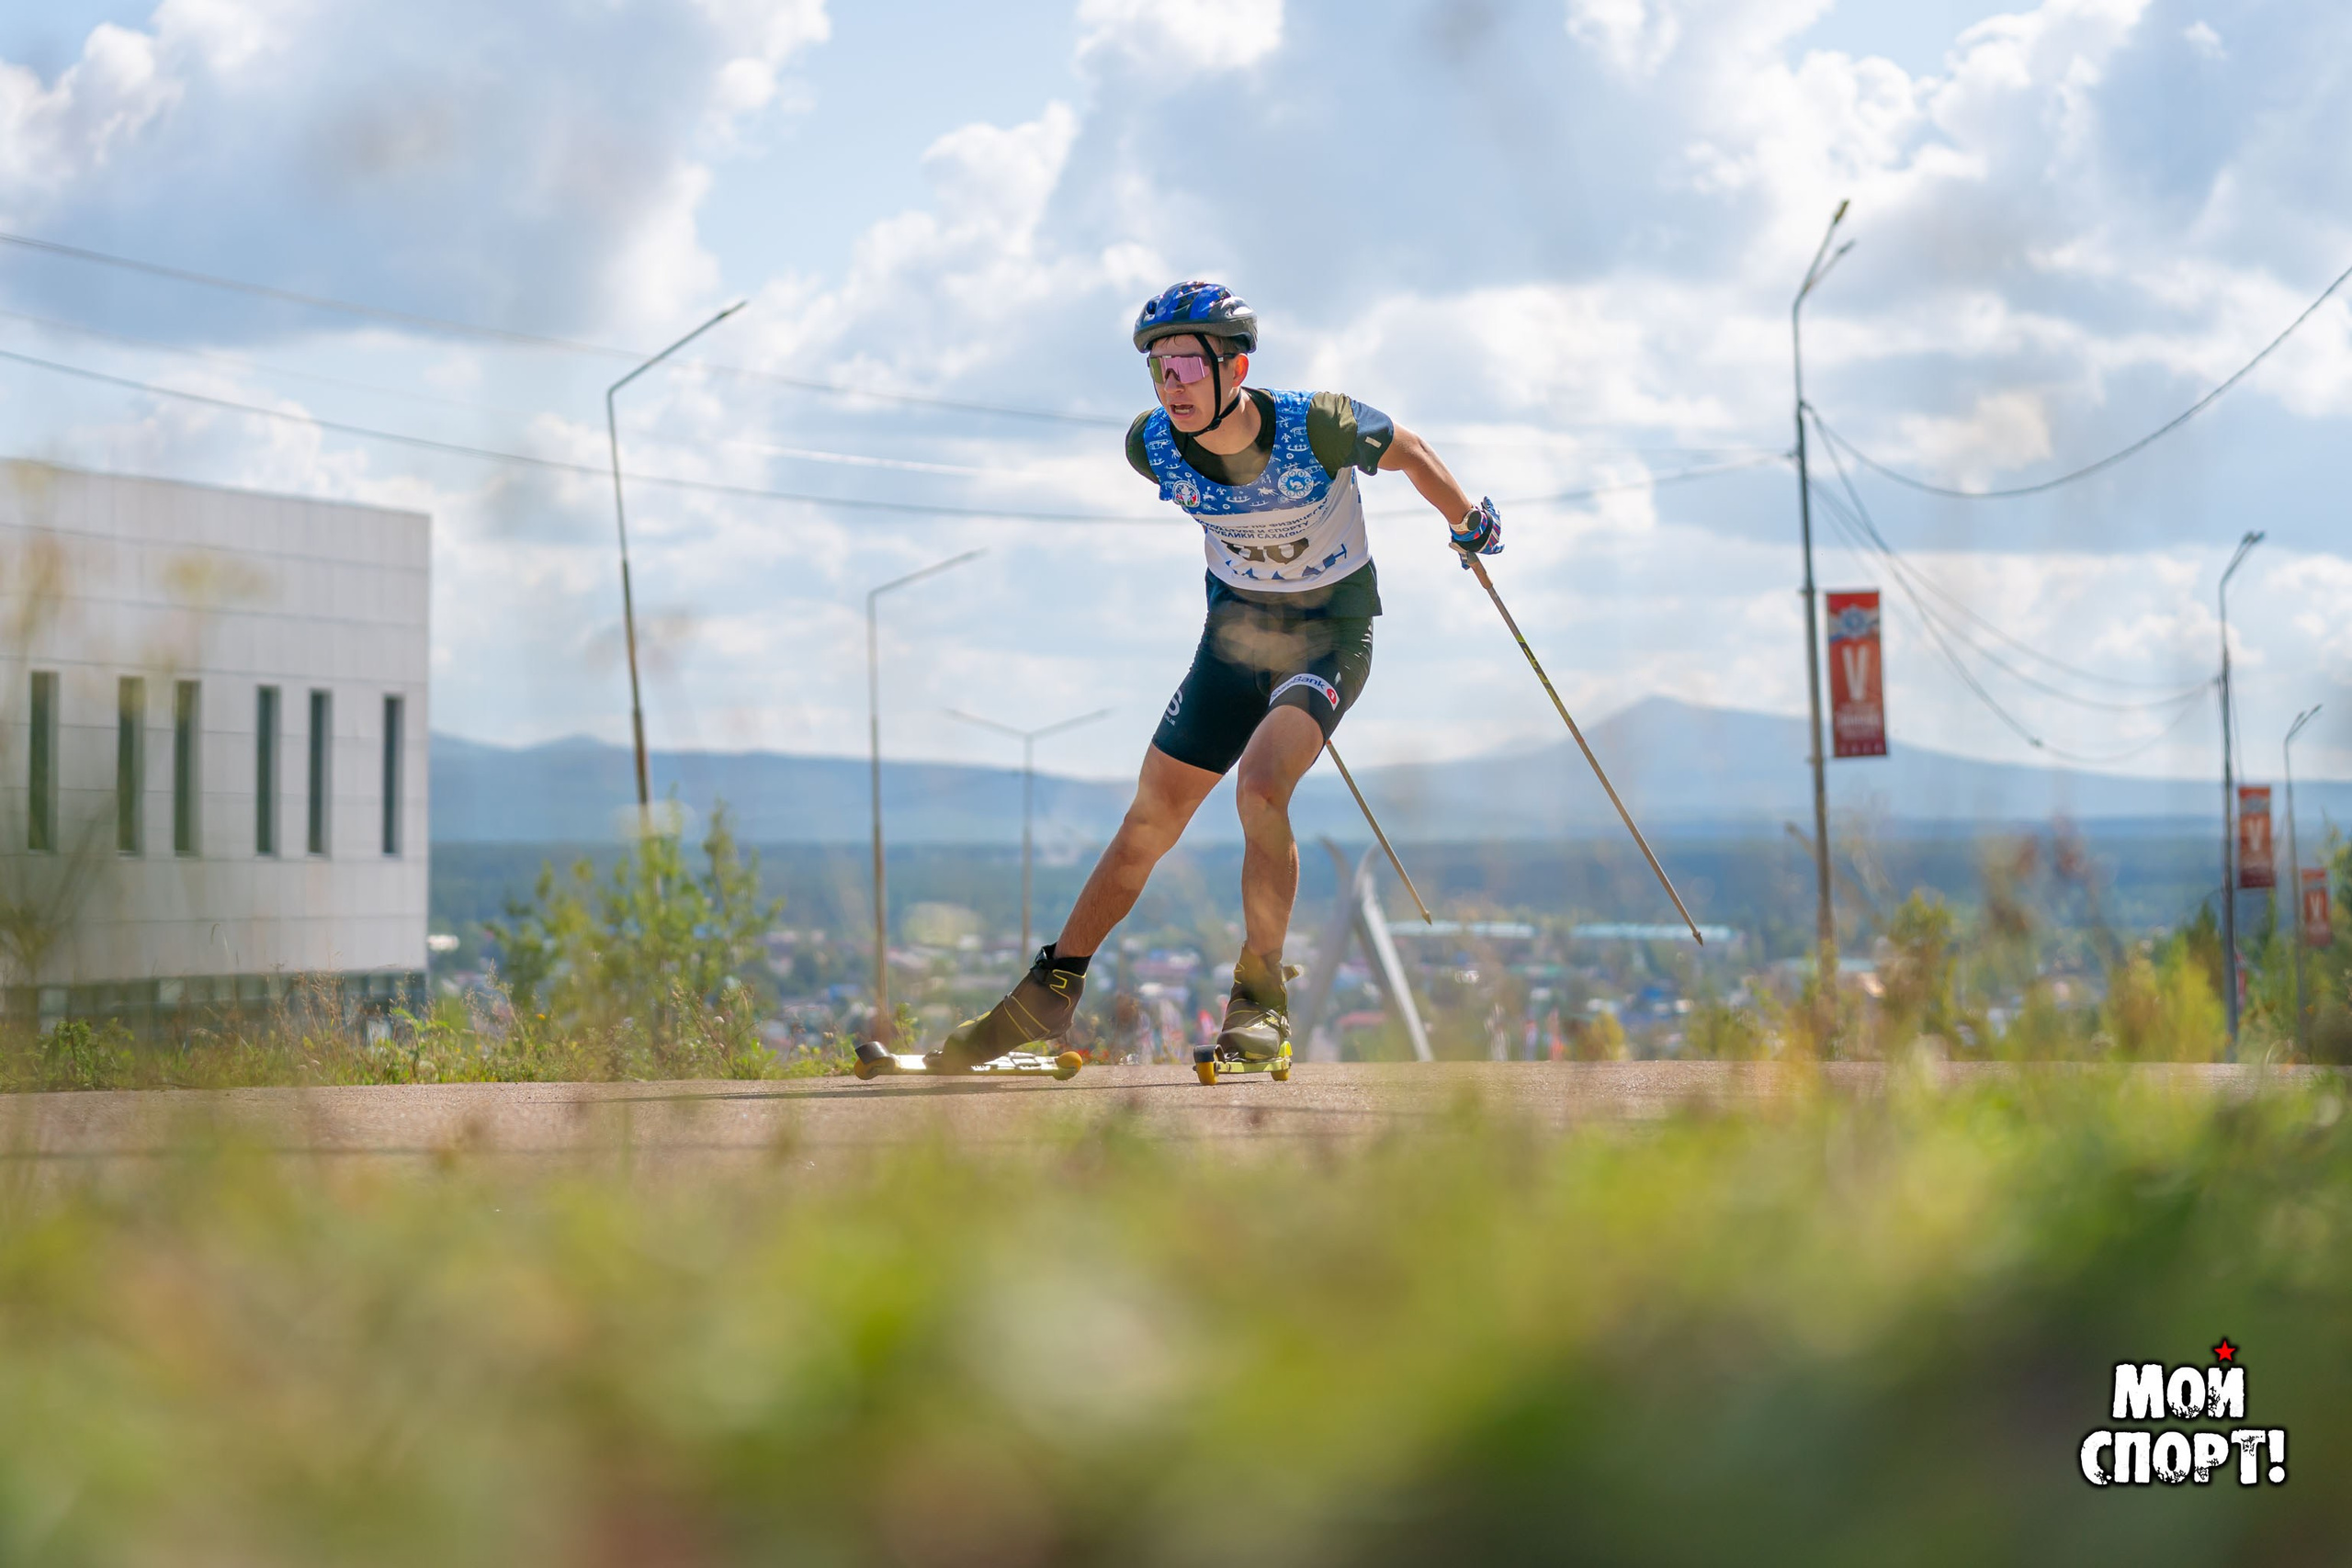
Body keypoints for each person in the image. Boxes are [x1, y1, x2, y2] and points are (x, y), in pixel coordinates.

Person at [935, 280, 1498, 1070]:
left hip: (1328, 637)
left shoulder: (1317, 423)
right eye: (1158, 369)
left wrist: (1467, 519)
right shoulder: (1151, 447)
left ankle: (1261, 1001)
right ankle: (1050, 990)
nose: (1172, 386)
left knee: (1260, 788)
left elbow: (1407, 449)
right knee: (1148, 821)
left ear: (1236, 368)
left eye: (1188, 367)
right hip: (1234, 640)